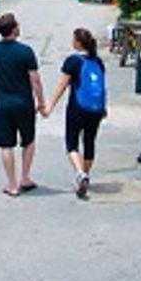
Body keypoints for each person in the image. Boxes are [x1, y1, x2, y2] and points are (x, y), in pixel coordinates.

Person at [0, 13, 47, 196]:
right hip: (24, 102)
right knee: (28, 140)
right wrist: (41, 101)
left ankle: (11, 184)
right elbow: (35, 79)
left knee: (6, 145)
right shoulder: (25, 51)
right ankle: (25, 177)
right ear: (13, 29)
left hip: (3, 103)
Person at [45, 28, 108, 199]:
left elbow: (62, 86)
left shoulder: (73, 61)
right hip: (96, 109)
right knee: (89, 141)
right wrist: (103, 107)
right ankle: (86, 175)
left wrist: (49, 105)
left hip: (77, 108)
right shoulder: (98, 61)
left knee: (71, 142)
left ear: (78, 43)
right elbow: (103, 86)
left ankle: (80, 174)